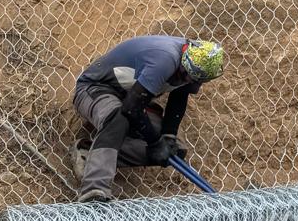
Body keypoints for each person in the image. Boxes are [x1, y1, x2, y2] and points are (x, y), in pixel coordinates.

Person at [71, 36, 224, 204]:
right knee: (119, 117)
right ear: (185, 59)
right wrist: (155, 142)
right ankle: (94, 190)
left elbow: (179, 96)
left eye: (195, 80)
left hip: (130, 96)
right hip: (94, 89)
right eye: (187, 76)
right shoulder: (164, 59)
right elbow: (130, 108)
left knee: (173, 151)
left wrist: (168, 136)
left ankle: (88, 152)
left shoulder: (194, 70)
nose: (189, 81)